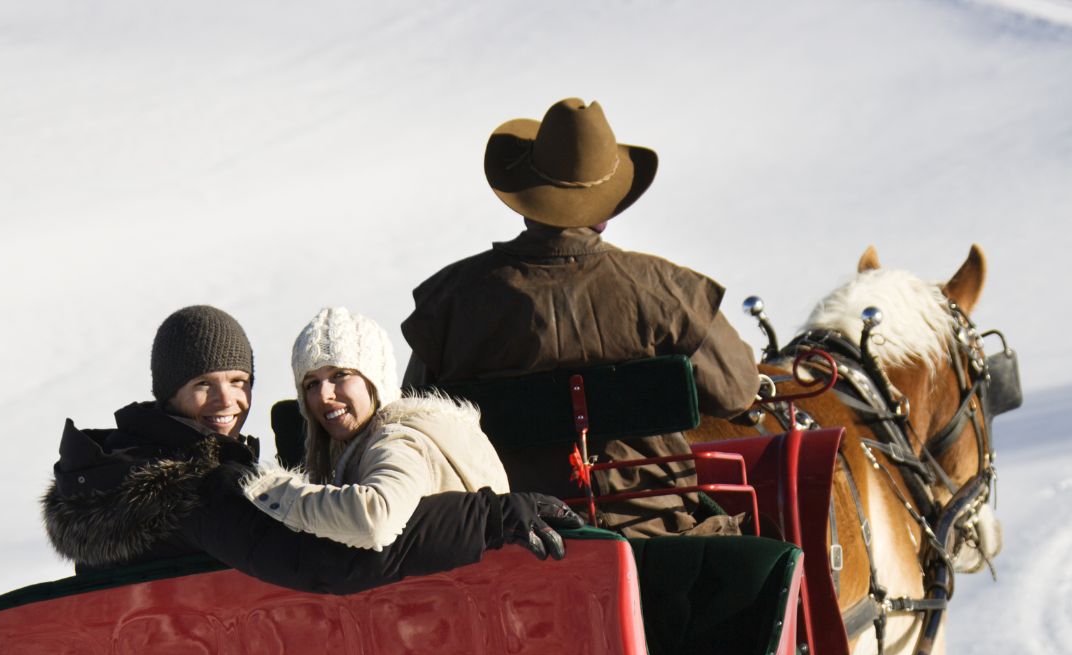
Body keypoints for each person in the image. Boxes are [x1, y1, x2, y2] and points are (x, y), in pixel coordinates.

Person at [400, 97, 762, 536]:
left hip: (509, 533)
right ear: (607, 207)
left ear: (525, 198)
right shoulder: (668, 292)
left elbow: (414, 414)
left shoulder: (451, 302)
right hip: (652, 529)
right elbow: (737, 391)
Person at [43, 305, 576, 588]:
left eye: (239, 381)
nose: (227, 401)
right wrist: (487, 518)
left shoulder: (130, 465)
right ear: (169, 395)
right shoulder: (191, 484)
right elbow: (327, 560)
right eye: (203, 384)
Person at [240, 308, 510, 551]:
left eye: (340, 375)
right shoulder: (412, 433)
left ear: (374, 379)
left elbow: (375, 520)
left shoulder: (400, 440)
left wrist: (272, 492)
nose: (323, 395)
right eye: (311, 384)